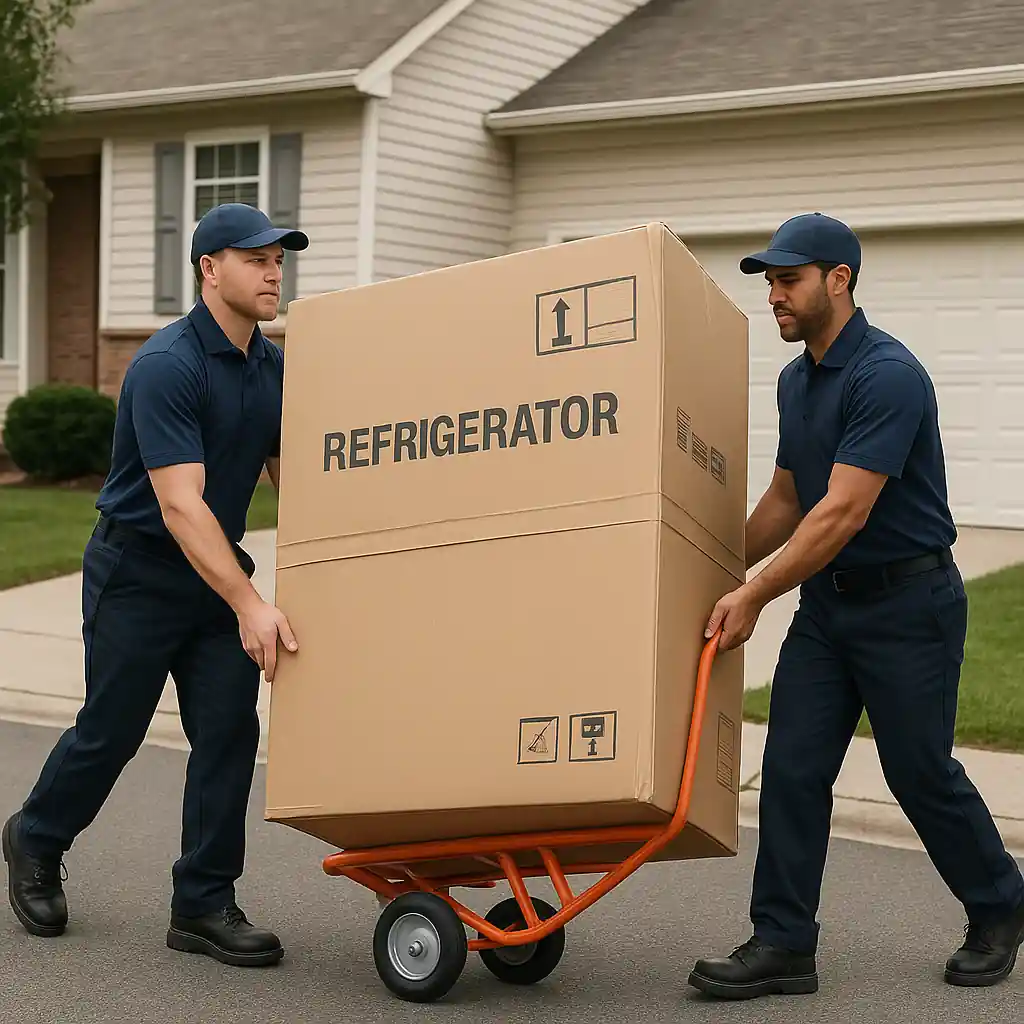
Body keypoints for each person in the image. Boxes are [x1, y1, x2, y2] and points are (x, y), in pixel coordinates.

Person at [686, 213, 1024, 1000]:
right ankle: (783, 944)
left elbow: (842, 511)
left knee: (918, 773)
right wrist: (710, 566)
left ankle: (1002, 903)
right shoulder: (796, 378)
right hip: (829, 610)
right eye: (769, 281)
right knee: (793, 769)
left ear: (838, 279)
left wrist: (756, 593)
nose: (773, 295)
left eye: (788, 279)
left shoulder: (888, 375)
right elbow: (788, 497)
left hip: (909, 605)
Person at [2, 203, 309, 968]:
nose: (274, 271)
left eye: (280, 258)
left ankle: (203, 903)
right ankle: (34, 837)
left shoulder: (272, 366)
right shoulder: (167, 364)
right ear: (210, 269)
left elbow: (292, 479)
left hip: (214, 572)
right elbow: (179, 504)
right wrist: (249, 602)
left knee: (229, 731)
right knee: (113, 731)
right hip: (139, 570)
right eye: (256, 257)